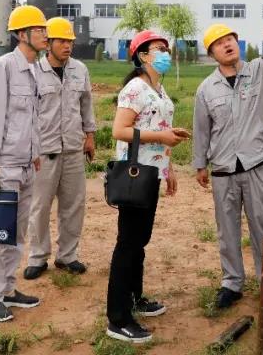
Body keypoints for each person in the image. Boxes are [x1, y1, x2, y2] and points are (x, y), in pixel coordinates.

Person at [193, 21, 263, 310]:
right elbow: (201, 129)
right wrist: (200, 164)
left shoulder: (259, 71)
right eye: (219, 42)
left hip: (255, 164)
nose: (227, 44)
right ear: (212, 53)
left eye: (231, 39)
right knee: (227, 229)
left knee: (262, 226)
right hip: (223, 168)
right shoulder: (206, 89)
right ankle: (232, 283)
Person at [105, 30, 191, 344]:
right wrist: (161, 139)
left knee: (140, 240)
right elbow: (120, 130)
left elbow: (158, 128)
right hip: (134, 175)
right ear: (143, 55)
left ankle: (134, 297)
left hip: (152, 173)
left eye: (167, 48)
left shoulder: (158, 88)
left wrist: (169, 169)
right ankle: (118, 317)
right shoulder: (135, 88)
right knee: (128, 243)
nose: (166, 53)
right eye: (159, 49)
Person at [0, 4, 48, 323]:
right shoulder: (3, 68)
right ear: (21, 35)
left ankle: (7, 288)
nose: (45, 34)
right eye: (39, 30)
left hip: (26, 165)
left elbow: (33, 119)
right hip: (3, 166)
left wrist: (36, 153)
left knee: (17, 232)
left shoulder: (35, 70)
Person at [23, 17, 96, 281]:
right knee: (39, 207)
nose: (68, 46)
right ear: (49, 43)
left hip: (74, 148)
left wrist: (90, 136)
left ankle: (67, 256)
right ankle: (38, 257)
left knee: (73, 205)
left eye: (70, 41)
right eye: (62, 41)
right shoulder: (34, 72)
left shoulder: (80, 70)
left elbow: (86, 104)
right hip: (44, 151)